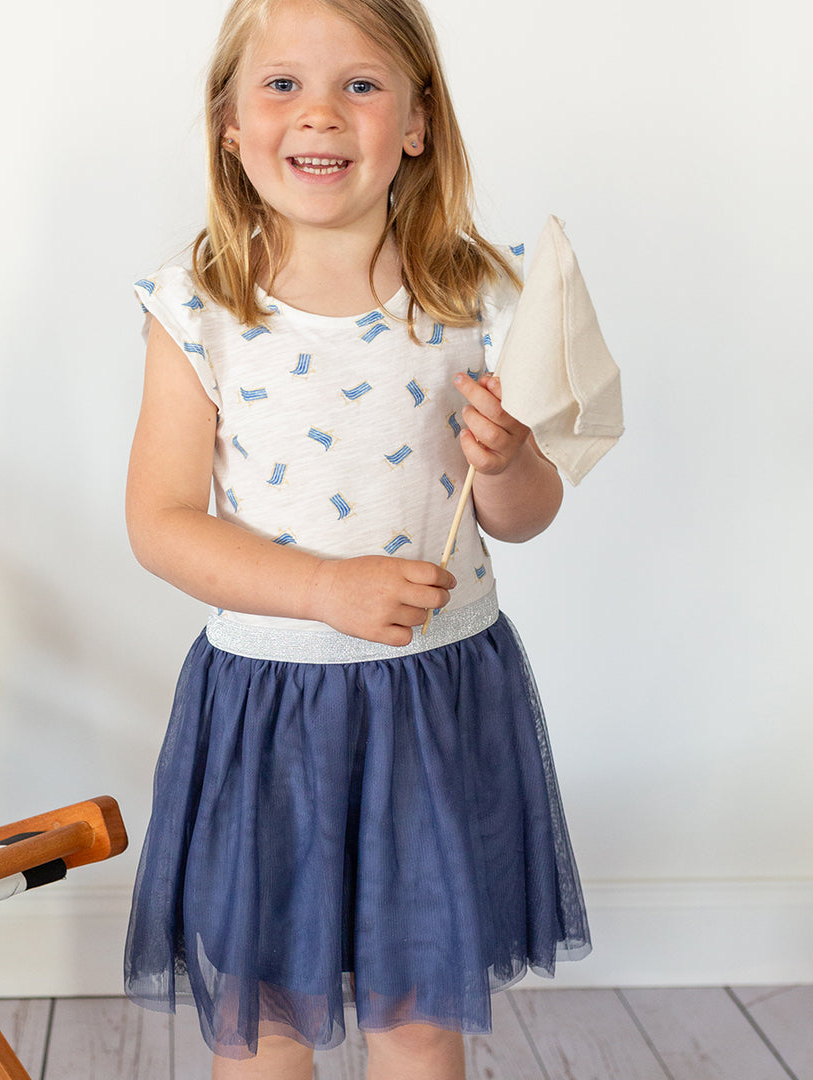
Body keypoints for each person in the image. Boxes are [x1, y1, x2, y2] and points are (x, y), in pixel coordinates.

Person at [123, 0, 591, 1075]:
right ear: (229, 126)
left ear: (418, 122)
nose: (319, 114)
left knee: (419, 1009)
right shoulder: (197, 307)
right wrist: (322, 588)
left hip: (433, 702)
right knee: (267, 1010)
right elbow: (160, 522)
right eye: (281, 85)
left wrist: (513, 460)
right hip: (268, 708)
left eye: (362, 86)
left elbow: (525, 516)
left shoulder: (481, 293)